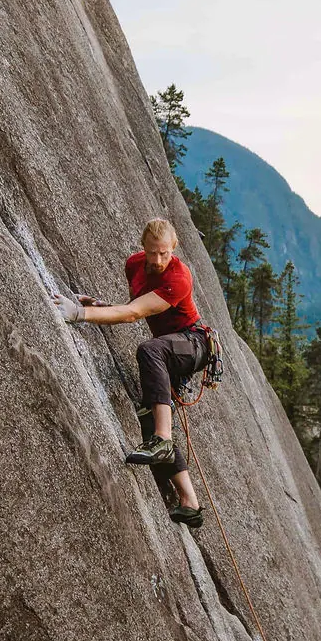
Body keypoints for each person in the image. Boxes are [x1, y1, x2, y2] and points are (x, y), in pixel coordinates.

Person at [51, 217, 207, 527]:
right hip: (169, 348)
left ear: (174, 248)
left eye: (164, 253)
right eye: (152, 252)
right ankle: (190, 502)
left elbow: (133, 314)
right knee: (148, 417)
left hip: (193, 342)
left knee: (149, 350)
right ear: (143, 247)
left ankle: (163, 439)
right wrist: (101, 306)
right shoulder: (135, 264)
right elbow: (138, 305)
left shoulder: (180, 277)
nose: (158, 259)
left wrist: (82, 314)